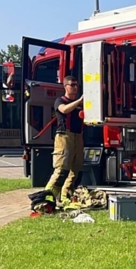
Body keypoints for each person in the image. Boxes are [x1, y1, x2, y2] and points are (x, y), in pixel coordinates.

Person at [45, 75, 85, 206]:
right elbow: (64, 109)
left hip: (78, 136)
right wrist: (79, 101)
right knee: (62, 169)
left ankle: (65, 197)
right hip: (64, 136)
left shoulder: (80, 104)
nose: (74, 87)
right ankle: (47, 198)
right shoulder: (60, 100)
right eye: (72, 85)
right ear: (65, 86)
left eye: (76, 85)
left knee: (76, 169)